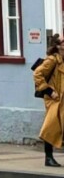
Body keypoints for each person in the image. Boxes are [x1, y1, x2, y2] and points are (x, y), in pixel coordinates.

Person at [35, 33, 64, 167]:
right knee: (51, 126)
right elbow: (37, 74)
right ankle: (48, 157)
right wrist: (49, 91)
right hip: (55, 99)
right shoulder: (52, 60)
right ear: (59, 46)